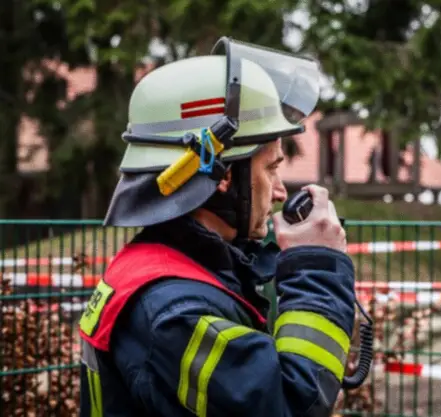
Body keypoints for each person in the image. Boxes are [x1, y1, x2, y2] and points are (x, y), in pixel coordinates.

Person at [77, 37, 357, 417]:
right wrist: (317, 267)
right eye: (271, 168)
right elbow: (291, 406)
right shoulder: (174, 313)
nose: (278, 192)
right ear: (224, 175)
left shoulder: (178, 272)